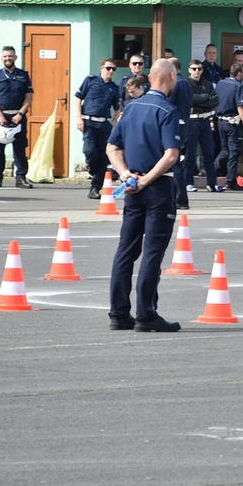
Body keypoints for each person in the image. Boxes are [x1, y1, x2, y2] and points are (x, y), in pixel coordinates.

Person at [106, 59, 183, 333]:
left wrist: (126, 174)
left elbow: (112, 147)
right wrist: (147, 180)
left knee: (126, 249)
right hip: (157, 187)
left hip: (132, 187)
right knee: (152, 251)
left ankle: (118, 312)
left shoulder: (131, 108)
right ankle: (146, 313)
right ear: (171, 77)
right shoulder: (167, 110)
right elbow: (171, 154)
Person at [0, 45, 34, 189]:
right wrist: (0, 115)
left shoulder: (23, 75)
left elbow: (29, 97)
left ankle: (21, 178)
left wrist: (21, 113)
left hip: (18, 117)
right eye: (5, 56)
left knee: (20, 150)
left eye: (10, 56)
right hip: (2, 118)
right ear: (2, 58)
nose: (8, 58)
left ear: (15, 58)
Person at [74, 58, 122, 199]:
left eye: (113, 69)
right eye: (108, 68)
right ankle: (92, 170)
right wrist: (78, 118)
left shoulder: (114, 88)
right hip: (89, 122)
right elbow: (78, 98)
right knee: (90, 151)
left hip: (104, 124)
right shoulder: (90, 81)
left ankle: (95, 187)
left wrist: (113, 123)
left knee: (102, 156)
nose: (111, 71)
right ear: (101, 68)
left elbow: (117, 108)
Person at [214, 63, 243, 191]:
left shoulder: (221, 83)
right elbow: (241, 107)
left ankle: (211, 173)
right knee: (234, 151)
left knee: (224, 151)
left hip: (220, 121)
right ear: (239, 73)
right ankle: (230, 181)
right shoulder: (238, 86)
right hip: (232, 123)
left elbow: (214, 101)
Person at [184, 60, 220, 192]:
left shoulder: (207, 84)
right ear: (189, 70)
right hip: (191, 121)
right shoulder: (185, 84)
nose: (196, 71)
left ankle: (212, 183)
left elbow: (215, 101)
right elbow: (188, 99)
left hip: (205, 121)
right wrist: (205, 98)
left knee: (208, 153)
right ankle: (188, 182)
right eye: (194, 69)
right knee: (189, 153)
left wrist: (199, 101)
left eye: (199, 69)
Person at [167, 58, 193, 209]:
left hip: (176, 124)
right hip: (184, 122)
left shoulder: (176, 84)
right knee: (178, 162)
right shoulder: (187, 83)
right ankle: (181, 198)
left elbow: (168, 105)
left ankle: (179, 198)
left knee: (174, 162)